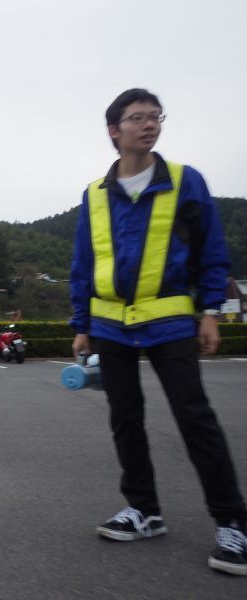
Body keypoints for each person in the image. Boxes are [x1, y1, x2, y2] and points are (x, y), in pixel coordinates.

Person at [70, 88, 246, 576]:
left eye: (155, 116)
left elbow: (212, 249)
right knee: (125, 419)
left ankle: (232, 522)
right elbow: (84, 263)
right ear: (114, 130)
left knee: (195, 418)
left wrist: (210, 310)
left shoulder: (186, 181)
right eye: (137, 118)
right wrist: (81, 325)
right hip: (110, 326)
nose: (149, 124)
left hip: (170, 322)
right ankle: (143, 510)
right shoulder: (95, 194)